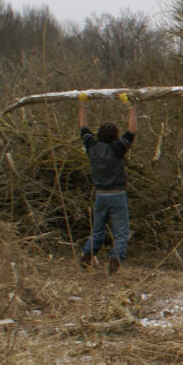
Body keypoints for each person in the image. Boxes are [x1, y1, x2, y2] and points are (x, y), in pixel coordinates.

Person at [78, 92, 136, 275]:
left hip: (100, 196)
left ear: (99, 135)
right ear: (115, 137)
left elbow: (83, 127)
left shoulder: (92, 148)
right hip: (118, 195)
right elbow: (132, 130)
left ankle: (86, 257)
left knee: (97, 232)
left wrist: (83, 104)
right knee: (121, 233)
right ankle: (114, 262)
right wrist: (131, 106)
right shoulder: (118, 149)